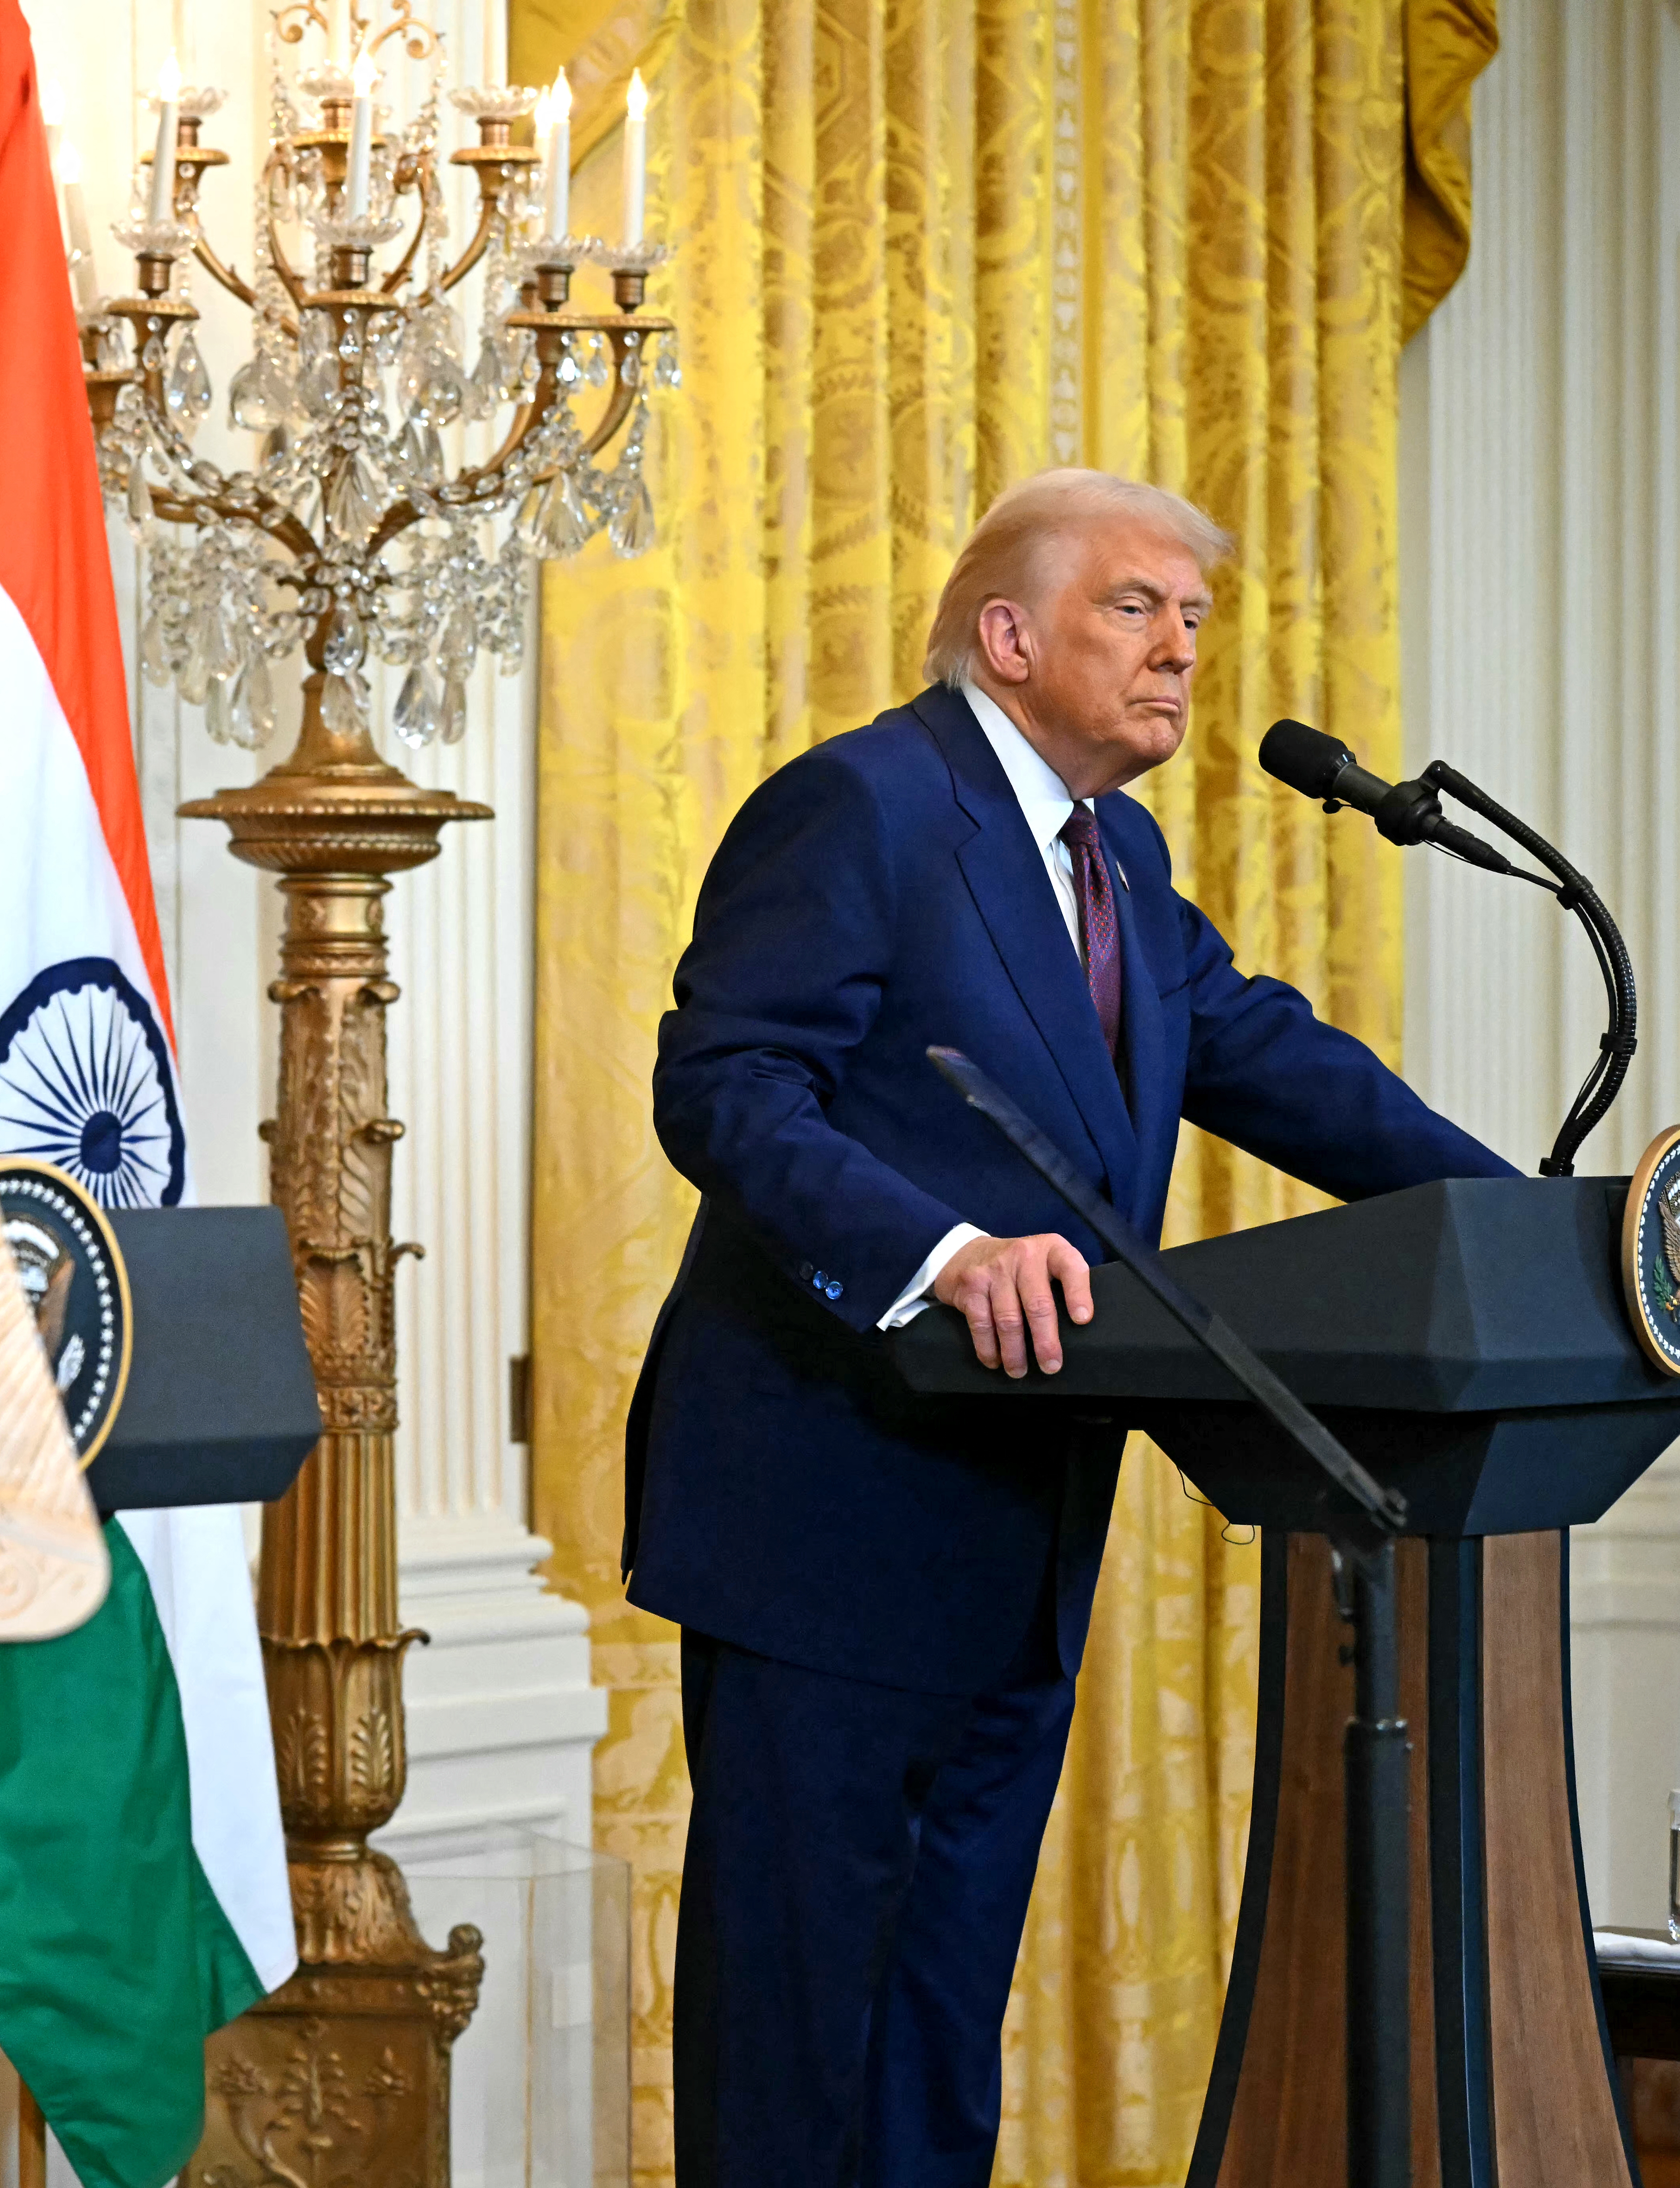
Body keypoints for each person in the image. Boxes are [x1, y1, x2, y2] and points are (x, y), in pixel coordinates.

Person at [624, 469, 1515, 2186]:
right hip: (820, 1508)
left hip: (1015, 1522)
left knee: (937, 2030)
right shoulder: (863, 806)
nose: (1179, 646)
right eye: (1134, 605)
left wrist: (1529, 1221)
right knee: (795, 2041)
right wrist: (938, 1244)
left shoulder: (1114, 852)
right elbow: (725, 1088)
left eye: (1192, 616)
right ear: (1005, 631)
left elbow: (1267, 1056)